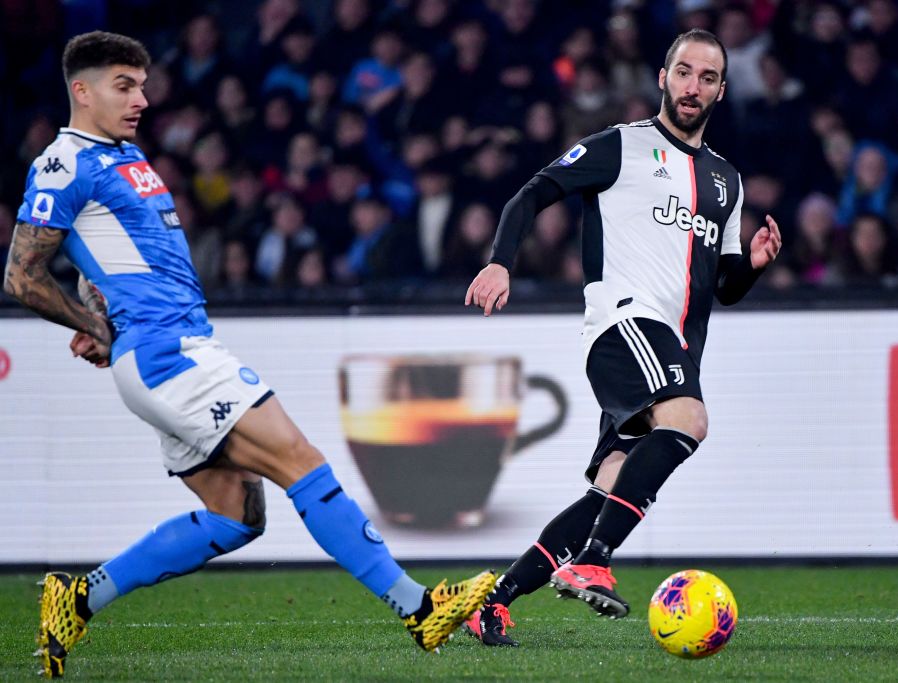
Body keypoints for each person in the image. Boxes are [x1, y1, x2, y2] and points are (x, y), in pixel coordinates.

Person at [3, 32, 493, 679]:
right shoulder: (67, 162)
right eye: (125, 85)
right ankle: (419, 607)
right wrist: (98, 321)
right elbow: (22, 275)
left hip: (166, 348)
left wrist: (102, 316)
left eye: (144, 85)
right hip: (168, 354)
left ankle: (80, 596)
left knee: (237, 516)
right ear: (81, 90)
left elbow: (107, 260)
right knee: (302, 460)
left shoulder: (120, 155)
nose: (142, 98)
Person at [463, 29, 781, 647]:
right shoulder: (620, 147)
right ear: (662, 78)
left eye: (707, 77)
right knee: (688, 418)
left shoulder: (725, 182)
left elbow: (724, 286)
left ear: (721, 89)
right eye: (683, 72)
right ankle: (594, 561)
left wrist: (755, 266)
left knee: (612, 484)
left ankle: (494, 603)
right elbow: (533, 194)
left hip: (673, 344)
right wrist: (501, 260)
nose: (693, 86)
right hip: (624, 322)